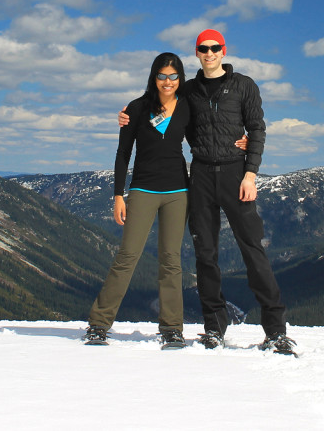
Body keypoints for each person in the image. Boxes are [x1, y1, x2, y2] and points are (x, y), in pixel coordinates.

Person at [119, 29, 295, 356]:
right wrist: (131, 117)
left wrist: (251, 173)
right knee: (206, 254)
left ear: (224, 51)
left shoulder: (244, 86)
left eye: (215, 48)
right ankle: (214, 328)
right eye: (204, 48)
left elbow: (257, 129)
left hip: (235, 173)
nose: (210, 53)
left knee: (252, 248)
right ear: (197, 53)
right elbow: (159, 119)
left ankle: (276, 331)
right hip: (199, 174)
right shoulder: (187, 92)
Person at [84, 52, 192, 349]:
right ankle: (98, 324)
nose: (167, 82)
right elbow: (122, 154)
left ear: (180, 78)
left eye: (173, 76)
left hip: (177, 192)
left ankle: (172, 329)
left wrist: (241, 142)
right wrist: (118, 194)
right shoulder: (137, 107)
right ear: (153, 77)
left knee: (171, 260)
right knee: (127, 256)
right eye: (162, 75)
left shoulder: (187, 108)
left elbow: (204, 139)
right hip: (142, 190)